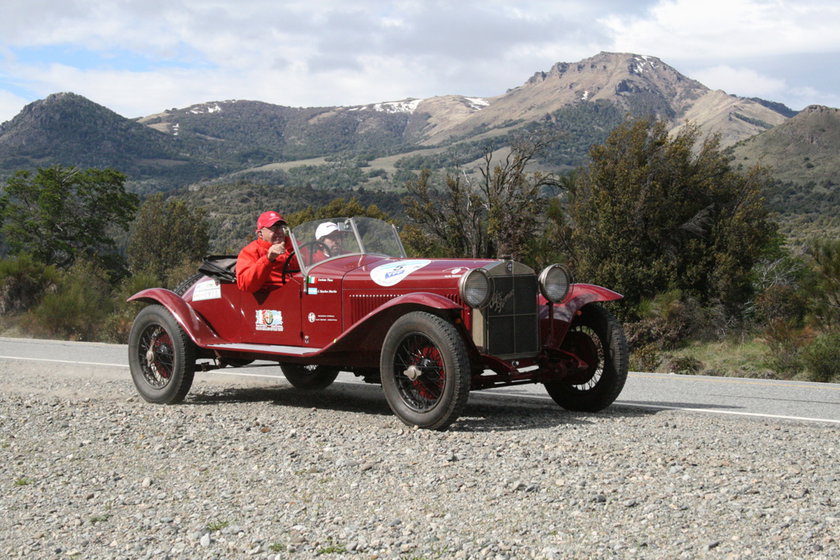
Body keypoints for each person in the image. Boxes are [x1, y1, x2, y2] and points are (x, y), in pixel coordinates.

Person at [236, 211, 297, 292]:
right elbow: (245, 284)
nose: (279, 231)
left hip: (300, 290)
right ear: (260, 234)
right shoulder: (251, 251)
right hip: (276, 297)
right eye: (273, 228)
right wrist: (268, 259)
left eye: (280, 227)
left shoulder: (295, 245)